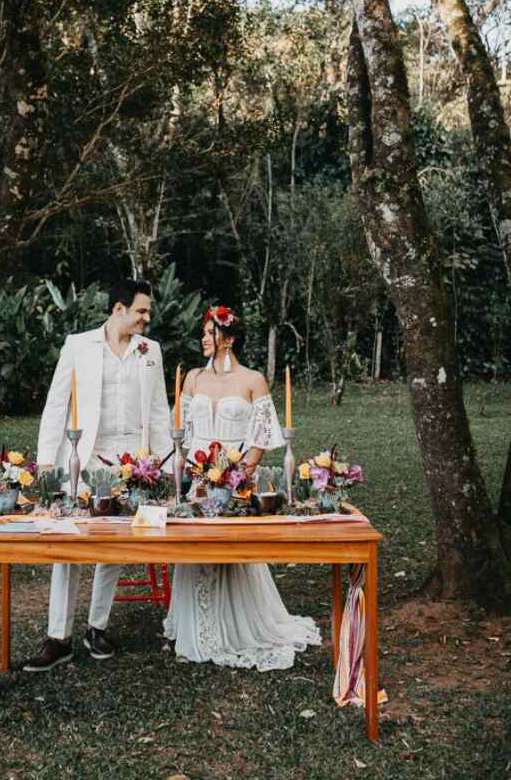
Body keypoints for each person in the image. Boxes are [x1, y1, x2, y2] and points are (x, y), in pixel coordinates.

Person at [23, 279, 171, 672]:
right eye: (141, 310)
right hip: (81, 458)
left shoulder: (150, 351)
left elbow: (158, 411)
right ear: (118, 309)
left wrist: (165, 465)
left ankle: (97, 627)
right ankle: (58, 638)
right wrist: (45, 461)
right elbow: (57, 404)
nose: (147, 318)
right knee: (67, 543)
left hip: (132, 462)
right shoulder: (78, 345)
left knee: (115, 545)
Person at [163, 305, 321, 670]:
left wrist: (239, 473)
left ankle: (237, 628)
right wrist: (195, 471)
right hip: (199, 479)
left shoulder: (253, 380)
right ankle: (198, 629)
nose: (204, 338)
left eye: (210, 333)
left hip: (235, 478)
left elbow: (262, 435)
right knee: (196, 553)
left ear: (229, 339)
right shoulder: (193, 379)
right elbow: (181, 434)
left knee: (233, 553)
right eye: (203, 333)